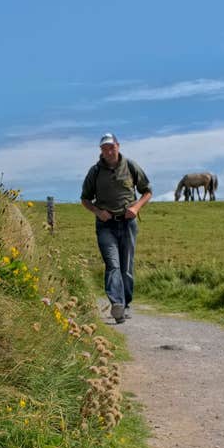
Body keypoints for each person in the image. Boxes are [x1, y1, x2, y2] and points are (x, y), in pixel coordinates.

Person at [80, 133, 152, 324]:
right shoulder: (95, 171)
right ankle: (117, 304)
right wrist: (98, 212)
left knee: (126, 267)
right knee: (113, 265)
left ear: (118, 146)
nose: (108, 151)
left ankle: (126, 303)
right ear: (101, 151)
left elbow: (147, 191)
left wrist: (136, 208)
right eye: (104, 148)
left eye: (111, 147)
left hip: (128, 223)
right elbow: (85, 199)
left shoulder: (130, 166)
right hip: (106, 225)